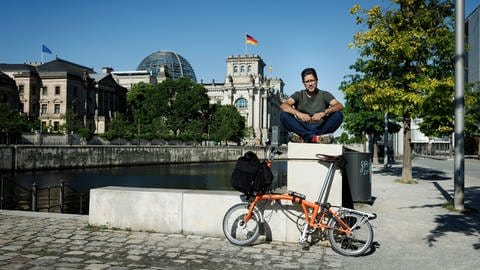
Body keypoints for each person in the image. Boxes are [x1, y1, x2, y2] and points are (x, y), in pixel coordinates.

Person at [280, 68, 343, 143]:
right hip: (302, 128)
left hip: (321, 128)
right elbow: (283, 105)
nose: (310, 84)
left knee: (338, 115)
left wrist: (323, 112)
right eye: (307, 81)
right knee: (283, 115)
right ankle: (313, 138)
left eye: (312, 80)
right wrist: (299, 114)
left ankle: (306, 138)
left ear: (317, 80)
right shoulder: (298, 94)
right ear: (303, 83)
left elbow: (339, 105)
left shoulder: (324, 94)